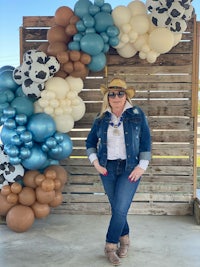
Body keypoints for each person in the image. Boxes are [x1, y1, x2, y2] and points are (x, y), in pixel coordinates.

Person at [85, 77, 151, 266]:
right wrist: (96, 163)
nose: (116, 97)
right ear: (107, 96)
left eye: (120, 93)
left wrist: (142, 166)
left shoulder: (137, 114)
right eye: (111, 93)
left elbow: (146, 140)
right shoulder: (101, 118)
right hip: (108, 168)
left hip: (131, 168)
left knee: (120, 208)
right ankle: (126, 240)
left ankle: (110, 246)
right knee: (118, 209)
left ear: (126, 95)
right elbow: (90, 142)